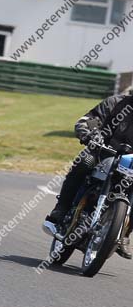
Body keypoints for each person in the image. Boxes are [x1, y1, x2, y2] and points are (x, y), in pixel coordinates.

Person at [43, 91, 133, 259]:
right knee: (85, 161)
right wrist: (88, 133)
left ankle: (125, 232)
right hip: (103, 154)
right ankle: (61, 209)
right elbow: (86, 121)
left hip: (130, 166)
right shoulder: (116, 103)